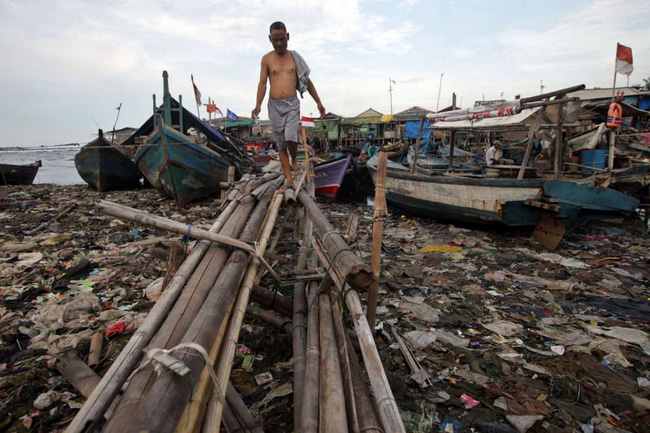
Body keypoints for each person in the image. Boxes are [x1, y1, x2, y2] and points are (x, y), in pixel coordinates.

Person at [251, 21, 326, 189]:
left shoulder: (295, 57)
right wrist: (258, 105)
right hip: (274, 106)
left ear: (288, 37)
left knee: (291, 137)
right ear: (270, 39)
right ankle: (289, 179)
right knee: (281, 144)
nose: (279, 43)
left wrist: (318, 102)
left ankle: (294, 158)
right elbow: (262, 83)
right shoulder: (267, 59)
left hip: (292, 104)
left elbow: (307, 81)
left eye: (282, 39)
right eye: (275, 40)